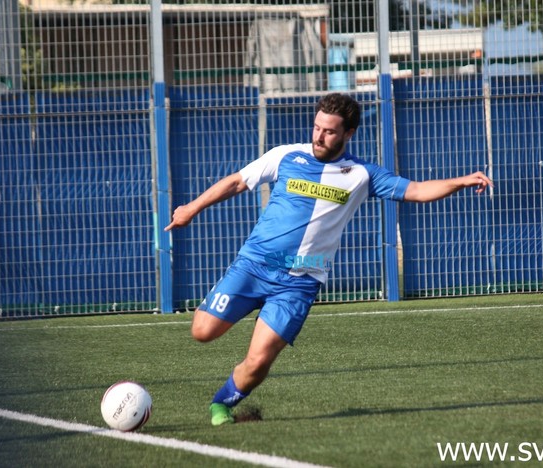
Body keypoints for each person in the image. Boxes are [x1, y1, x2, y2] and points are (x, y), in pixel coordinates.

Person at [164, 93, 493, 426]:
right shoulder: (285, 155)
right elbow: (237, 181)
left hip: (300, 283)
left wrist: (461, 181)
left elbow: (418, 191)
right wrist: (191, 208)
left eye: (329, 131)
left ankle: (221, 405)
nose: (319, 136)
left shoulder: (362, 174)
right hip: (254, 266)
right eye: (317, 127)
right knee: (202, 331)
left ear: (349, 133)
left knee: (259, 360)